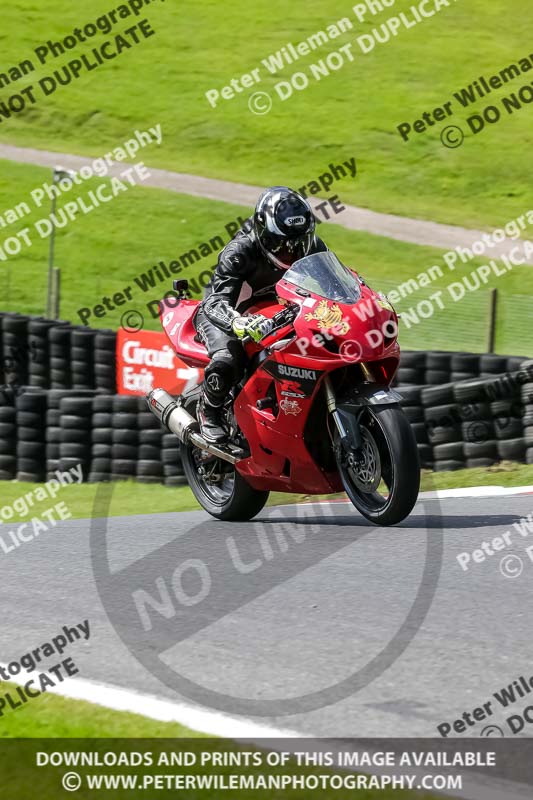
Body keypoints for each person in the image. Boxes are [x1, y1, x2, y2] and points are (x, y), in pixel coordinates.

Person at [194, 186, 327, 443]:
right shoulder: (239, 252)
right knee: (228, 359)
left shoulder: (309, 245)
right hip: (226, 313)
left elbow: (337, 282)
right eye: (283, 244)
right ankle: (209, 410)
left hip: (276, 310)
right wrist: (236, 321)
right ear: (265, 234)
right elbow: (214, 302)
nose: (292, 250)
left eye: (298, 242)